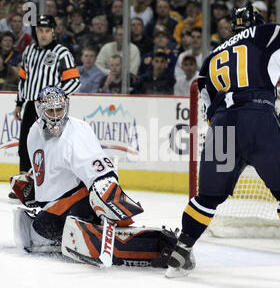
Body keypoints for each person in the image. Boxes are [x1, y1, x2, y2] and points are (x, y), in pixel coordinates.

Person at [166, 4, 280, 285]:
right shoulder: (265, 33)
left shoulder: (211, 57)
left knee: (207, 197)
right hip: (259, 118)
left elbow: (207, 104)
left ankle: (180, 254)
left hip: (221, 124)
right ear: (258, 21)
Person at [11, 86, 176, 267]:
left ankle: (154, 245)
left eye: (60, 109)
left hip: (78, 203)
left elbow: (100, 173)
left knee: (41, 229)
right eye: (50, 111)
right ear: (39, 109)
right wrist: (33, 185)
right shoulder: (34, 132)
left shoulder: (75, 132)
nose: (56, 116)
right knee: (33, 230)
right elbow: (48, 168)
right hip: (58, 206)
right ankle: (75, 233)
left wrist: (105, 193)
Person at [10, 15, 80, 199]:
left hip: (52, 111)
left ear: (53, 32)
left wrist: (56, 98)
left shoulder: (62, 53)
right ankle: (25, 185)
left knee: (51, 148)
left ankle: (50, 187)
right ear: (36, 32)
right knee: (25, 146)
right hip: (31, 106)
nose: (43, 34)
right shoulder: (29, 51)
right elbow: (23, 79)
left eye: (47, 30)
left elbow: (74, 80)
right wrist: (19, 103)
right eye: (40, 30)